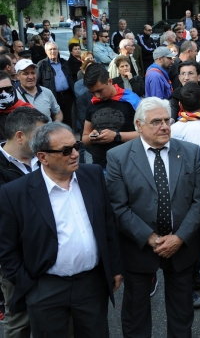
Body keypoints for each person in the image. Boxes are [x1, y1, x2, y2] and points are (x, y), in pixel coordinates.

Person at [0, 122, 123, 337]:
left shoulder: (92, 175)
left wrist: (114, 267)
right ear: (43, 157)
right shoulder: (15, 193)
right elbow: (6, 247)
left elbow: (107, 224)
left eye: (75, 146)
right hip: (45, 287)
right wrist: (28, 285)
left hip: (91, 285)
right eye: (66, 151)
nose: (75, 153)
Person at [106, 97, 200, 337]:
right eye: (156, 122)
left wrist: (180, 238)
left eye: (167, 120)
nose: (164, 126)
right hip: (139, 247)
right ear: (139, 125)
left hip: (181, 247)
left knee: (182, 312)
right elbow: (117, 207)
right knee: (136, 314)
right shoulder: (118, 157)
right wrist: (151, 238)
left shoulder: (190, 152)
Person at [0, 107, 49, 337]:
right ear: (20, 136)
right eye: (40, 135)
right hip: (15, 259)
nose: (46, 141)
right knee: (20, 321)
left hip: (50, 254)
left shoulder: (46, 159)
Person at [82, 64, 139, 169]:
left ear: (109, 81)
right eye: (92, 93)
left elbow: (145, 134)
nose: (97, 96)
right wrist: (92, 137)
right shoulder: (92, 104)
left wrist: (116, 136)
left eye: (99, 90)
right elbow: (85, 138)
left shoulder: (131, 101)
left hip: (129, 165)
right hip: (101, 165)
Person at [36, 41, 76, 129]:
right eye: (50, 49)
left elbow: (70, 77)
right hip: (52, 97)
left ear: (58, 50)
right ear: (46, 51)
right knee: (55, 121)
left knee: (68, 120)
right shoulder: (42, 65)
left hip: (67, 95)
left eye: (55, 49)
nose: (53, 51)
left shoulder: (64, 62)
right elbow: (37, 82)